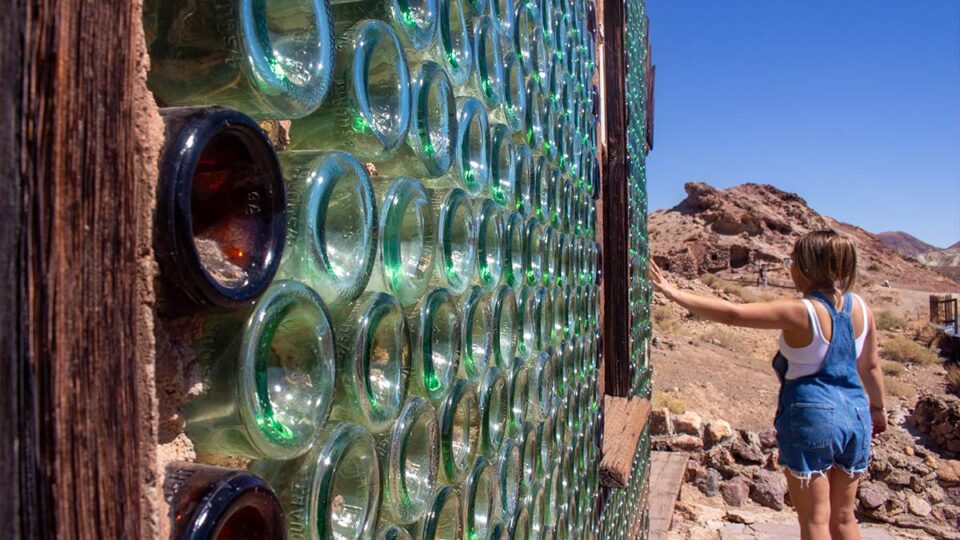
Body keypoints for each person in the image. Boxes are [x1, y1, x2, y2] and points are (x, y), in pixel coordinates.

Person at [649, 230, 886, 540]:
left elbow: (734, 314)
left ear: (804, 267)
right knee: (843, 518)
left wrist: (673, 292)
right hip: (856, 416)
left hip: (813, 417)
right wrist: (878, 409)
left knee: (814, 520)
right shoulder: (862, 309)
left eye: (792, 261)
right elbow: (870, 365)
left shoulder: (801, 310)